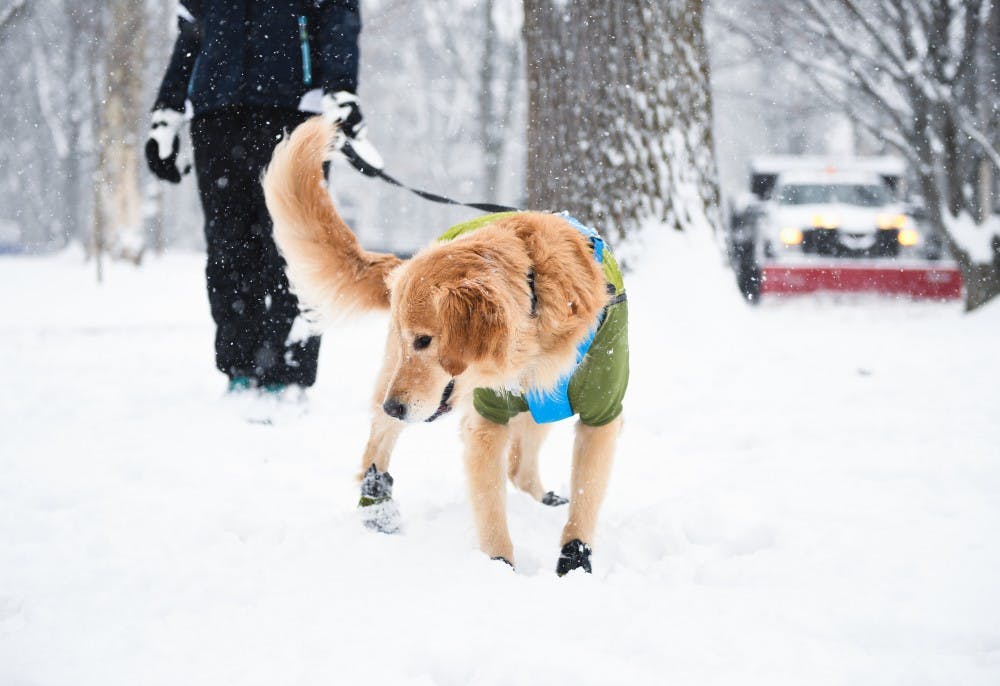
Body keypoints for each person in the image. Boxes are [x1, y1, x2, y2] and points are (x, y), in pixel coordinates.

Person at [145, 0, 382, 396]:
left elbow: (339, 17)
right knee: (228, 246)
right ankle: (240, 367)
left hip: (295, 111)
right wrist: (167, 112)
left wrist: (342, 91)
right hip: (217, 110)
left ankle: (288, 372)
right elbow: (190, 30)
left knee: (294, 245)